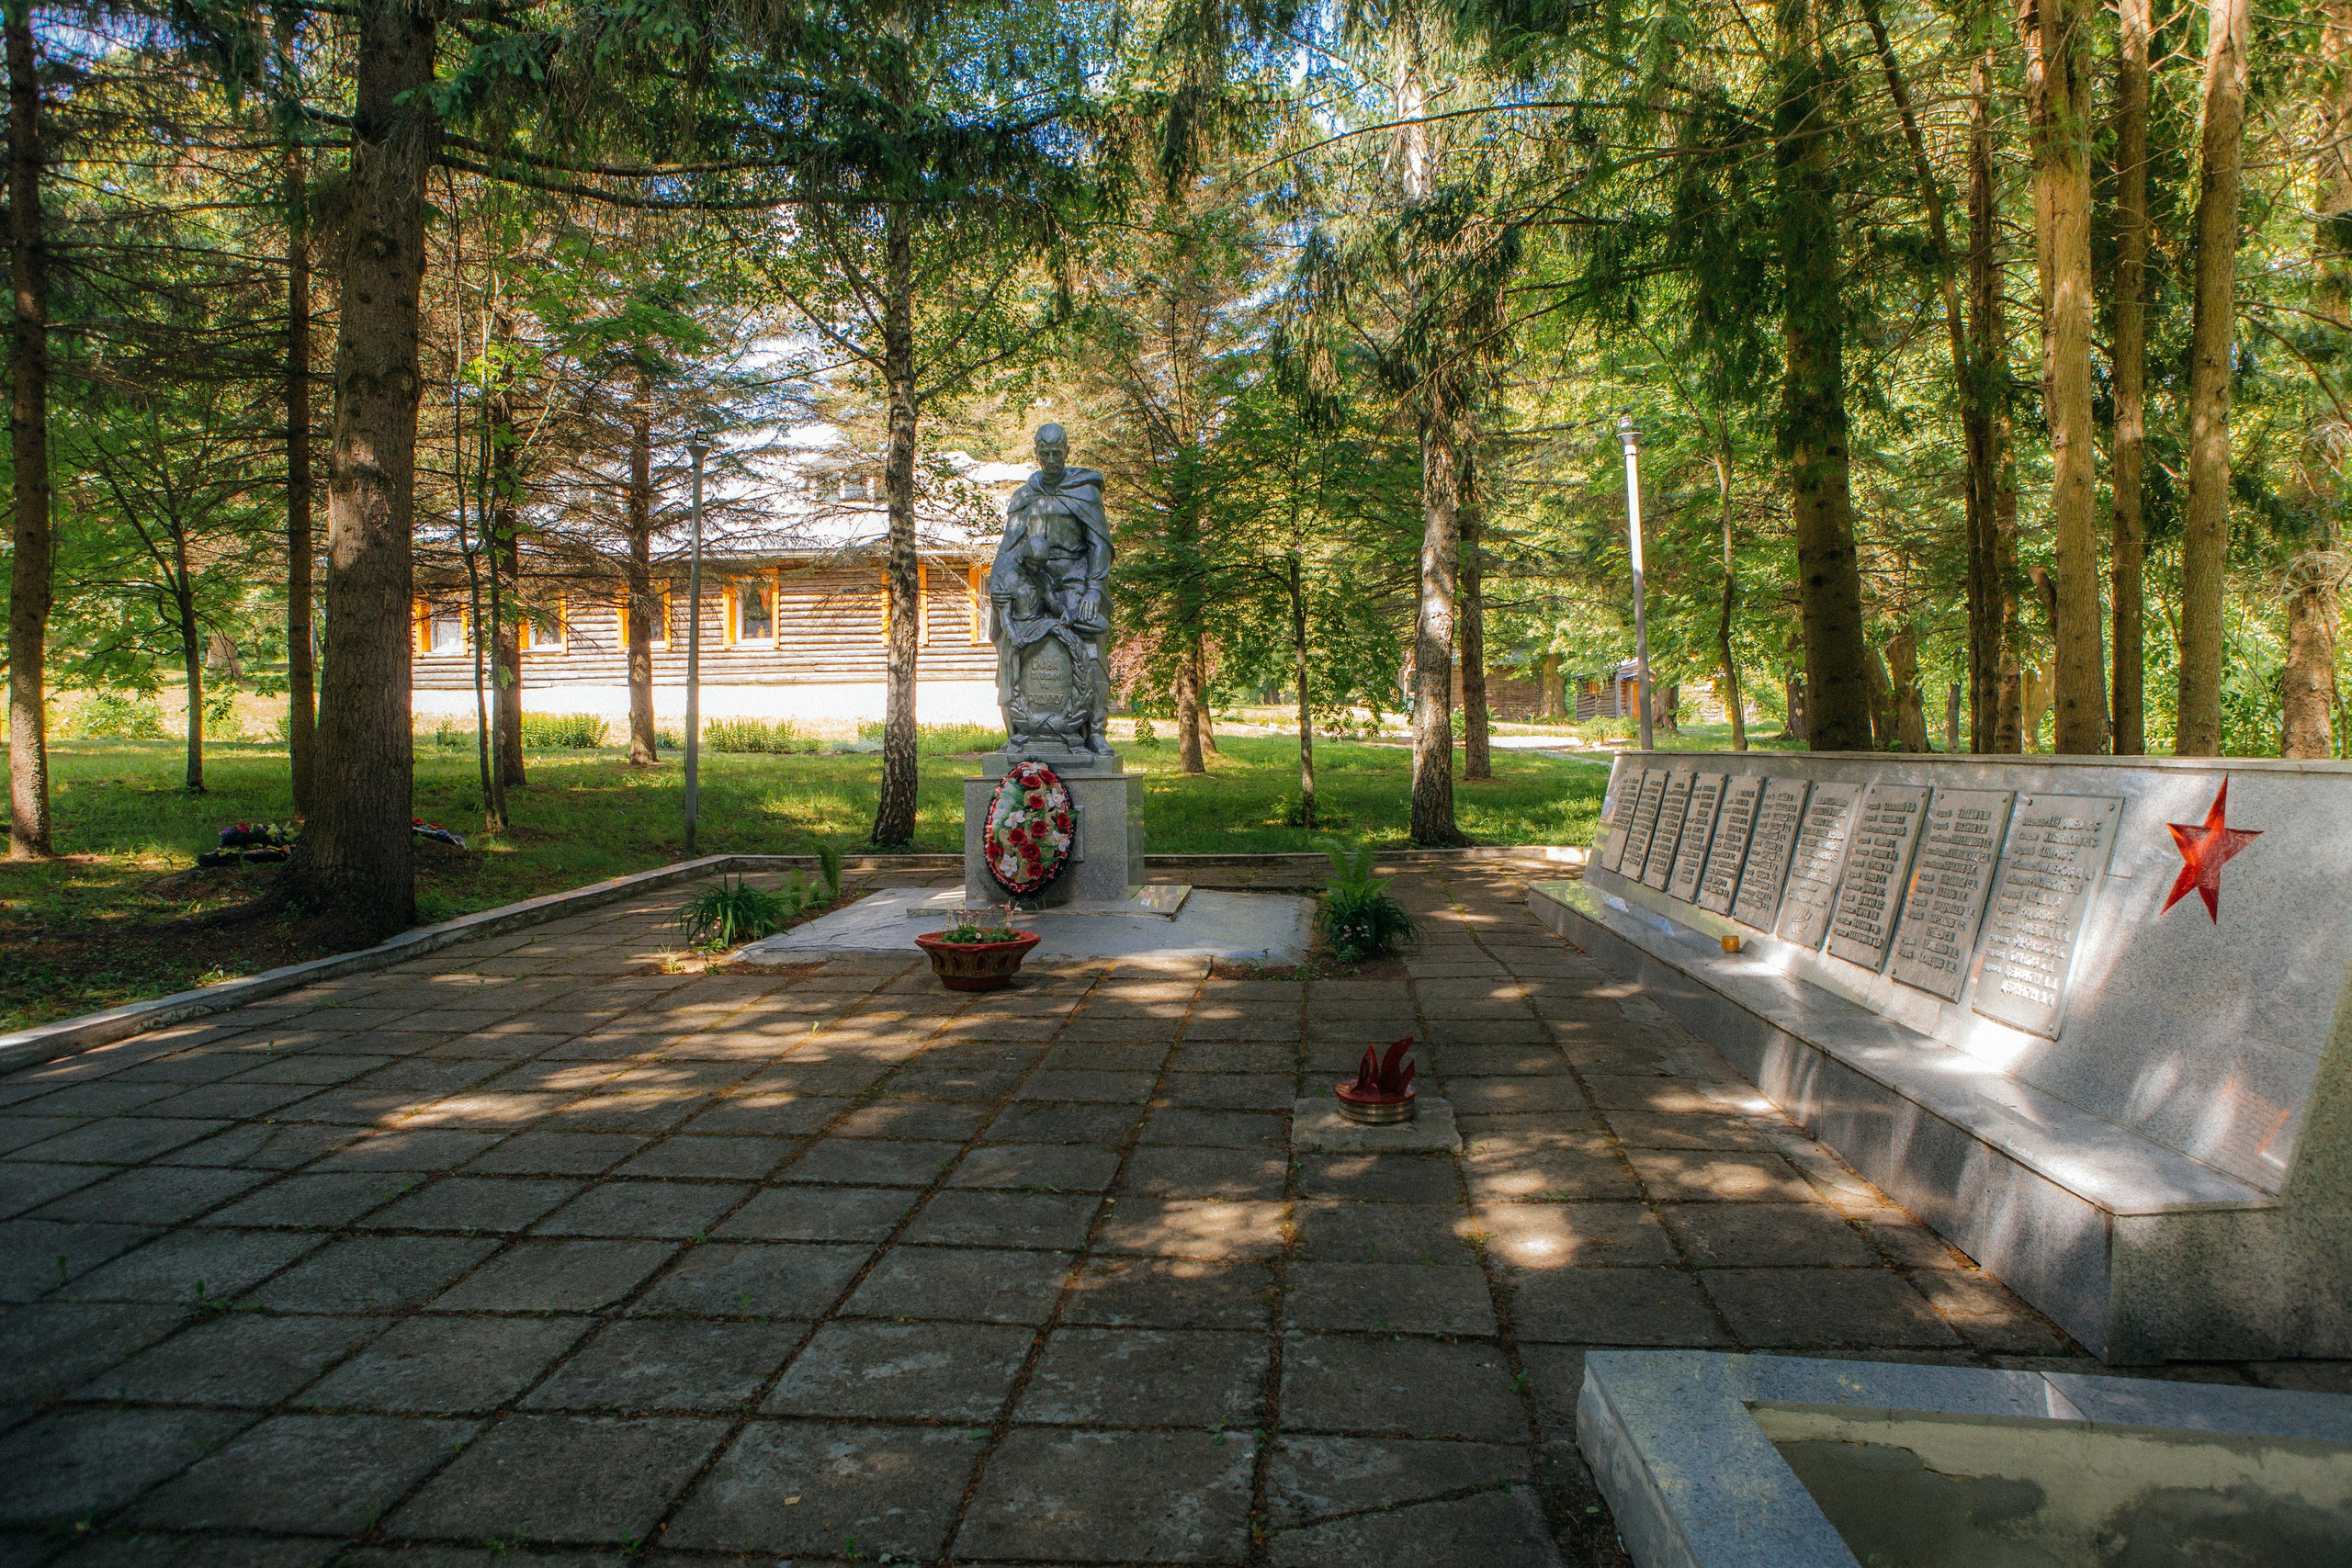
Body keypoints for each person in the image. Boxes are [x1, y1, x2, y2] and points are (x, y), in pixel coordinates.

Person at [989, 423, 1114, 754]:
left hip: (1075, 578)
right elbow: (1008, 550)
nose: (1051, 459)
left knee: (1093, 646)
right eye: (1045, 454)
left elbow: (1099, 545)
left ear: (1067, 451)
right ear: (1037, 454)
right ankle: (1018, 730)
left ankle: (1095, 731)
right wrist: (999, 586)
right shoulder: (1025, 497)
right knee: (1009, 638)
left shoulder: (1085, 493)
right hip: (1031, 579)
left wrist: (1093, 591)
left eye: (1057, 452)